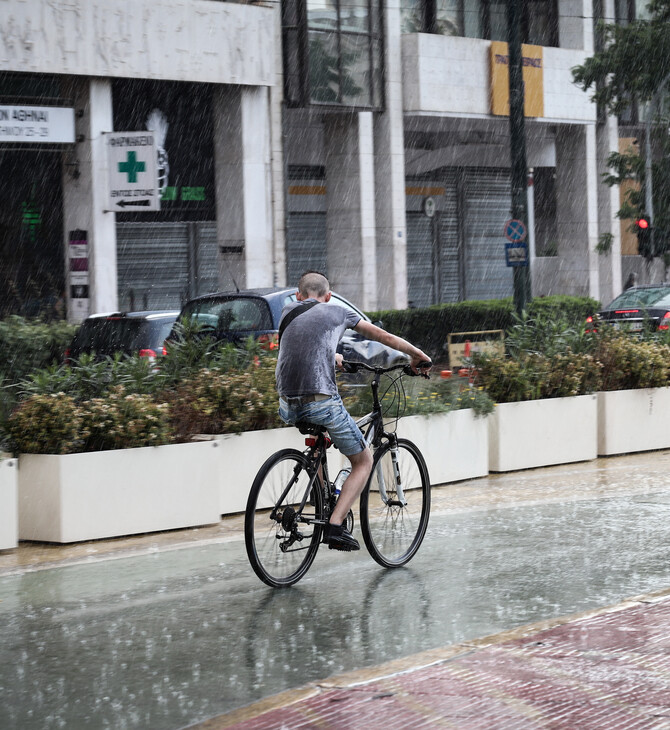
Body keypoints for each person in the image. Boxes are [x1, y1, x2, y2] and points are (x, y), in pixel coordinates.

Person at [275, 271, 432, 551]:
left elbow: (300, 346)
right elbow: (381, 335)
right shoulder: (338, 310)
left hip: (287, 403)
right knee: (363, 461)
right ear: (329, 296)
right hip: (320, 400)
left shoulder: (287, 311)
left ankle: (322, 502)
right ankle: (334, 526)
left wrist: (331, 356)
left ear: (298, 296)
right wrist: (417, 355)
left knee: (319, 441)